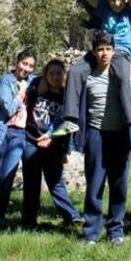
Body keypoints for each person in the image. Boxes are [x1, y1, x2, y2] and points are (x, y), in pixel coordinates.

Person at [74, 31, 131, 245]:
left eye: (108, 49)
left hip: (120, 135)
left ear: (113, 51)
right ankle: (91, 232)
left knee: (119, 185)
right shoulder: (87, 76)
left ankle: (116, 231)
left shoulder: (121, 75)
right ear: (94, 52)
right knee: (94, 184)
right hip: (96, 135)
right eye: (100, 49)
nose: (104, 53)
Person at [54, 0, 131, 136]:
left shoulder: (129, 12)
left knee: (123, 77)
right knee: (75, 71)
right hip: (101, 50)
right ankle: (70, 119)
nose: (116, 3)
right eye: (113, 0)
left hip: (121, 52)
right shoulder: (104, 9)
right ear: (107, 0)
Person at [21, 59, 83, 231]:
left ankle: (72, 217)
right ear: (45, 75)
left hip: (54, 145)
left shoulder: (67, 96)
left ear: (64, 75)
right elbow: (25, 78)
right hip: (31, 141)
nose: (55, 77)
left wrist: (65, 151)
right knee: (31, 183)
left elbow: (68, 125)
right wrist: (39, 79)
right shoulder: (37, 87)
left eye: (59, 73)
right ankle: (28, 221)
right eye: (51, 73)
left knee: (56, 183)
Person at [0, 48, 36, 228]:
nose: (26, 69)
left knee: (7, 179)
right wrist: (21, 93)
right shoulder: (6, 81)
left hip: (18, 134)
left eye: (31, 66)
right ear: (17, 62)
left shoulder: (31, 81)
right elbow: (9, 109)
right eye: (24, 64)